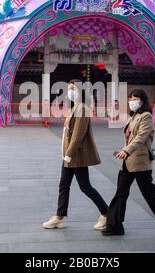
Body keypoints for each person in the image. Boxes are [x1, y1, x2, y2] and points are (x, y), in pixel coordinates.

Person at [102, 89, 155, 237]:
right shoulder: (133, 116)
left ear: (142, 100)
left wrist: (126, 150)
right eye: (130, 99)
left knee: (150, 195)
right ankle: (115, 225)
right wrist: (125, 151)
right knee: (120, 193)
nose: (132, 102)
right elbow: (129, 136)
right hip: (127, 163)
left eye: (135, 99)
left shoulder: (146, 116)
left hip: (140, 162)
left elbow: (140, 137)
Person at [43, 80, 109, 231]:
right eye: (68, 89)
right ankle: (60, 217)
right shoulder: (76, 108)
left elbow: (78, 136)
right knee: (64, 185)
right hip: (68, 155)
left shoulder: (82, 109)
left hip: (75, 156)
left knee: (85, 187)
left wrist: (69, 155)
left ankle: (106, 213)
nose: (69, 92)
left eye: (72, 88)